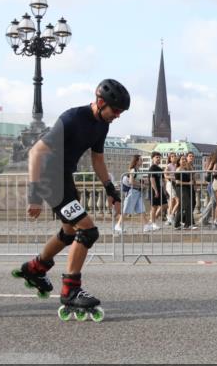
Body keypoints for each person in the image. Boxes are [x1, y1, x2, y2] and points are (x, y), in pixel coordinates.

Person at [12, 78, 129, 320]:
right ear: (100, 102)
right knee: (88, 231)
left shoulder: (102, 126)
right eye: (115, 110)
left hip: (64, 178)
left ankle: (35, 268)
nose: (117, 116)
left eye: (121, 112)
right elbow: (35, 152)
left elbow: (97, 160)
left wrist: (110, 189)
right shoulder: (72, 117)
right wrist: (33, 195)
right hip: (49, 178)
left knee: (68, 232)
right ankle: (70, 290)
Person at [116, 155, 145, 233]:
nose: (142, 161)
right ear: (136, 161)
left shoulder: (138, 170)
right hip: (133, 192)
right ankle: (118, 225)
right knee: (126, 210)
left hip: (137, 192)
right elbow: (131, 182)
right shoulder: (133, 170)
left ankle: (145, 226)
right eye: (140, 160)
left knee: (141, 209)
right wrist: (141, 185)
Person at [147, 151, 165, 231]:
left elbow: (163, 180)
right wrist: (156, 190)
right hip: (154, 190)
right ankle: (153, 223)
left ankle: (152, 219)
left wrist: (164, 190)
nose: (158, 159)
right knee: (154, 207)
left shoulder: (160, 169)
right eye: (156, 157)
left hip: (160, 189)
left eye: (159, 157)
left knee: (165, 205)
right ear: (152, 158)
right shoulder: (152, 168)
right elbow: (152, 179)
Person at [164, 152, 179, 225]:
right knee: (177, 200)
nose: (174, 157)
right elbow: (165, 175)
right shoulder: (169, 165)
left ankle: (169, 218)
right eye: (172, 156)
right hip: (170, 184)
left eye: (175, 156)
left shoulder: (176, 165)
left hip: (175, 184)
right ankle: (171, 216)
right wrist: (173, 177)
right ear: (170, 158)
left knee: (172, 201)